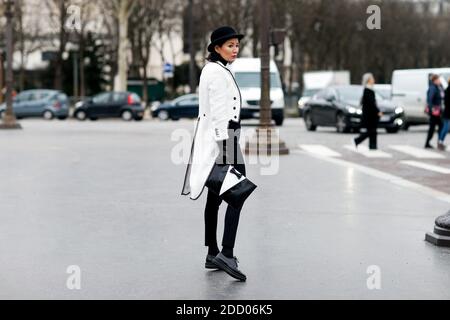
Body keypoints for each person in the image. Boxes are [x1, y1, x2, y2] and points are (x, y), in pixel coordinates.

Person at [181, 26, 248, 281]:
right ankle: (227, 253)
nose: (234, 50)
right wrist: (227, 151)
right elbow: (220, 112)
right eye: (230, 45)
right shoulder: (217, 73)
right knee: (238, 192)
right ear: (217, 48)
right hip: (225, 140)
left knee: (215, 197)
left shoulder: (216, 70)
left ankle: (212, 252)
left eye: (236, 45)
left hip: (219, 140)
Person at [353, 73, 381, 150]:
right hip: (370, 115)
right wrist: (377, 111)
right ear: (368, 80)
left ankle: (372, 146)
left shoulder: (369, 89)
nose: (373, 80)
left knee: (373, 131)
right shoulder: (368, 90)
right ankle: (357, 140)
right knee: (371, 131)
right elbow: (371, 103)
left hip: (371, 115)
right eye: (372, 78)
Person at [425, 74, 444, 149]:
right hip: (434, 111)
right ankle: (432, 143)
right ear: (435, 80)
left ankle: (435, 142)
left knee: (438, 126)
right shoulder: (433, 88)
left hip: (438, 111)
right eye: (438, 79)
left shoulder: (439, 87)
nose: (439, 81)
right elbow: (430, 99)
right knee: (434, 127)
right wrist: (431, 108)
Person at [437, 78, 450, 151]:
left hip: (447, 112)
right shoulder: (448, 90)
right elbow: (447, 102)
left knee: (445, 127)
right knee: (446, 128)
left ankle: (440, 142)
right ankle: (440, 142)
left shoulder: (447, 89)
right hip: (447, 112)